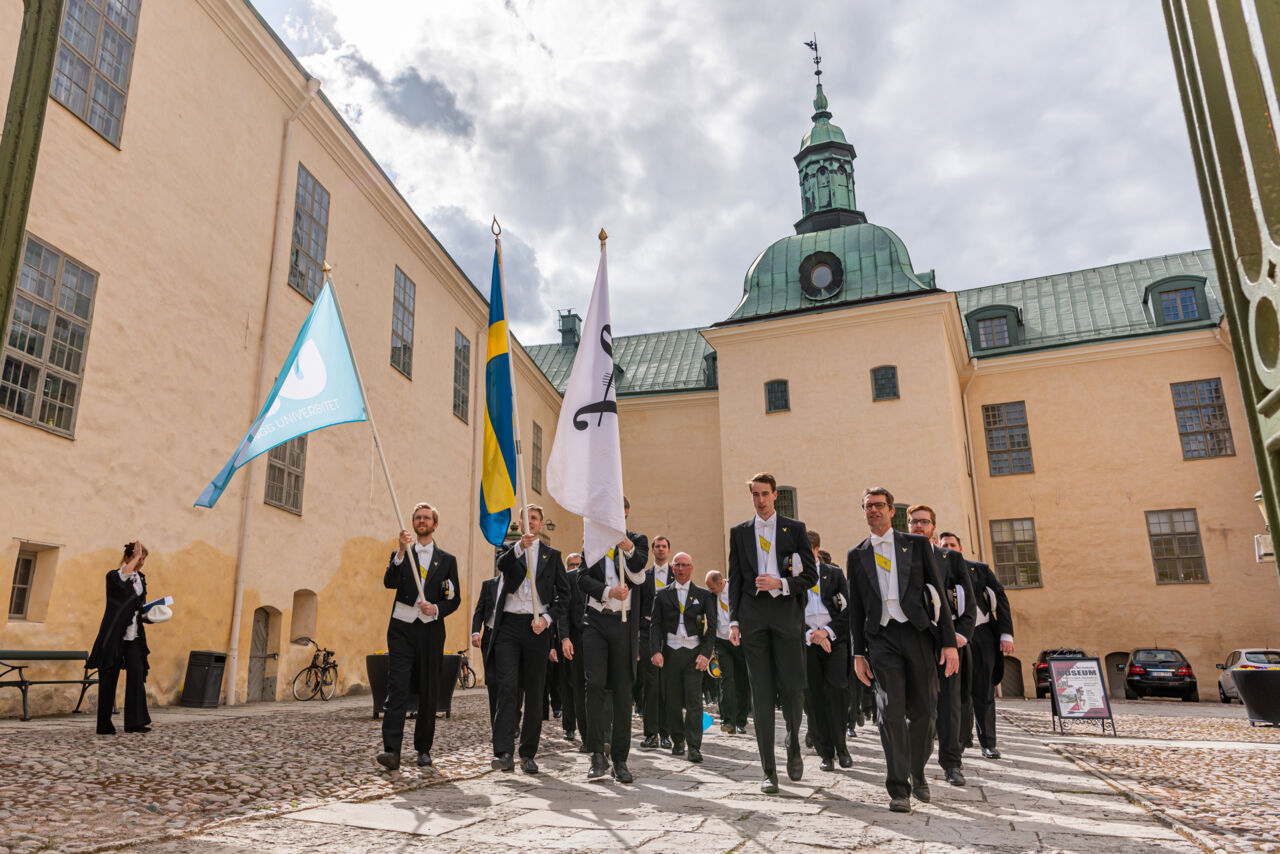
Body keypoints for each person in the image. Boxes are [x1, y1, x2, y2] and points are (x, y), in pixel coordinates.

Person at [848, 487, 958, 813]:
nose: (874, 510)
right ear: (864, 511)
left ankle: (917, 769)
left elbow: (938, 593)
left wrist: (949, 642)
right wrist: (858, 653)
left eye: (880, 505)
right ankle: (898, 788)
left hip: (917, 633)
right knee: (890, 710)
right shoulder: (857, 554)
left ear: (892, 510)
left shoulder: (917, 544)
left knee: (926, 709)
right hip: (880, 639)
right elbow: (855, 607)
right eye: (868, 506)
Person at [727, 472, 817, 794]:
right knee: (760, 693)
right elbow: (734, 578)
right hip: (752, 617)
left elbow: (810, 576)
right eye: (755, 494)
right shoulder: (739, 533)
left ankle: (793, 742)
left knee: (793, 689)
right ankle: (768, 771)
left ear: (775, 495)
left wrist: (781, 583)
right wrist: (734, 621)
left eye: (765, 494)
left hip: (785, 615)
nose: (760, 500)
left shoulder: (794, 529)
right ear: (751, 496)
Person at [377, 503, 461, 771]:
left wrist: (436, 608)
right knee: (397, 687)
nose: (422, 521)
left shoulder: (447, 561)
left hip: (430, 630)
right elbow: (389, 582)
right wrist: (401, 551)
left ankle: (423, 749)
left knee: (428, 689)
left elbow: (453, 597)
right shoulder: (401, 554)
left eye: (426, 518)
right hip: (402, 628)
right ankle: (391, 750)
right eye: (417, 518)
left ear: (435, 525)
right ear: (412, 524)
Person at [488, 504, 571, 774]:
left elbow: (563, 595)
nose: (531, 522)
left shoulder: (552, 556)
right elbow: (502, 565)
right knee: (507, 686)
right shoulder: (508, 549)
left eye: (535, 518)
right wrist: (519, 548)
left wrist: (547, 620)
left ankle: (528, 753)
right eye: (527, 519)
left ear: (541, 523)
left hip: (537, 628)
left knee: (536, 692)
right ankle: (503, 752)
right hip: (509, 626)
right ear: (521, 524)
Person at [578, 496, 649, 783]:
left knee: (623, 691)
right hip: (596, 620)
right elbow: (582, 578)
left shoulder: (637, 540)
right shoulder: (592, 543)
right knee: (594, 684)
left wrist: (627, 547)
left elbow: (642, 566)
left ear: (626, 513)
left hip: (624, 625)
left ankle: (620, 759)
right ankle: (597, 755)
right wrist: (608, 593)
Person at [906, 506, 976, 787]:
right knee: (919, 707)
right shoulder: (900, 557)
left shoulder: (951, 558)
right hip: (914, 643)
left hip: (947, 642)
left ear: (934, 527)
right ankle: (916, 764)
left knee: (949, 705)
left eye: (924, 522)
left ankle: (951, 762)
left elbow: (968, 602)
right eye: (913, 522)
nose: (918, 526)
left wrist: (959, 636)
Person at [938, 532, 1014, 760]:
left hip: (982, 635)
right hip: (953, 636)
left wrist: (1006, 634)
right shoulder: (938, 571)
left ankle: (988, 743)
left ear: (960, 548)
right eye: (945, 546)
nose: (949, 548)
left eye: (953, 544)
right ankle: (960, 741)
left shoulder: (979, 568)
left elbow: (1000, 596)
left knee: (984, 690)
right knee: (957, 692)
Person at [649, 552, 715, 763]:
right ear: (673, 568)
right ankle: (678, 740)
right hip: (670, 650)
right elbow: (655, 624)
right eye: (677, 565)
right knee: (673, 700)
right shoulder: (662, 594)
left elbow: (712, 627)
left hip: (694, 652)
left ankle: (694, 746)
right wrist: (655, 650)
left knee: (694, 700)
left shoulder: (703, 595)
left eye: (685, 565)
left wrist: (706, 654)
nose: (680, 569)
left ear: (691, 568)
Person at [89, 540, 153, 735]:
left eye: (143, 559)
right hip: (114, 635)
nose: (141, 563)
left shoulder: (140, 578)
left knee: (136, 675)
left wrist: (150, 615)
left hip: (134, 636)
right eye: (138, 559)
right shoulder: (114, 576)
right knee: (109, 678)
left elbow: (137, 606)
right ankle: (104, 724)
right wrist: (133, 558)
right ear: (128, 558)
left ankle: (135, 722)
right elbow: (123, 576)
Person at [802, 531, 853, 772]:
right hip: (808, 642)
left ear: (815, 549)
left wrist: (827, 632)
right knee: (815, 698)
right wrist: (810, 635)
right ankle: (826, 752)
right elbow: (788, 614)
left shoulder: (833, 574)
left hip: (834, 641)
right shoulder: (793, 577)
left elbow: (847, 610)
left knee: (836, 693)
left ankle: (842, 747)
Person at [637, 535, 673, 749]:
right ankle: (650, 733)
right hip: (647, 633)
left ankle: (666, 733)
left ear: (668, 550)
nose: (660, 549)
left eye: (664, 546)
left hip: (670, 635)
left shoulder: (675, 575)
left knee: (666, 685)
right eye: (657, 546)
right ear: (652, 550)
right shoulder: (643, 576)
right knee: (650, 685)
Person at [705, 570, 748, 734]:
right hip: (721, 641)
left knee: (742, 680)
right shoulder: (710, 596)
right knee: (726, 679)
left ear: (721, 583)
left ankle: (741, 721)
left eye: (711, 587)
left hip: (739, 640)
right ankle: (728, 720)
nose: (709, 591)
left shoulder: (736, 590)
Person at [559, 553, 589, 747]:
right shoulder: (570, 578)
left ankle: (603, 733)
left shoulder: (604, 576)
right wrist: (565, 637)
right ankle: (587, 738)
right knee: (578, 688)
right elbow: (563, 610)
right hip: (577, 639)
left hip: (602, 637)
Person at [470, 572, 503, 722]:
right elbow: (479, 612)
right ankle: (495, 723)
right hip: (490, 638)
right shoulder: (489, 584)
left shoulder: (521, 584)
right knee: (493, 682)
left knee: (511, 683)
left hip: (511, 636)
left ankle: (512, 721)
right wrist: (476, 632)